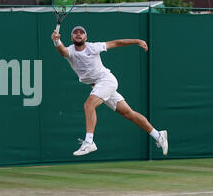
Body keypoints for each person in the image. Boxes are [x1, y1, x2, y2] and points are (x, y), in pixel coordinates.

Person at [51, 26, 168, 156]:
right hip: (98, 86)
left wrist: (137, 41)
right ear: (72, 37)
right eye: (75, 33)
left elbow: (116, 43)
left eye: (81, 32)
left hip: (106, 81)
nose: (78, 34)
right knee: (128, 113)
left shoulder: (93, 47)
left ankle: (89, 142)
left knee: (89, 105)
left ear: (86, 37)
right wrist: (56, 41)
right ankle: (158, 135)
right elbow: (62, 51)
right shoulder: (70, 51)